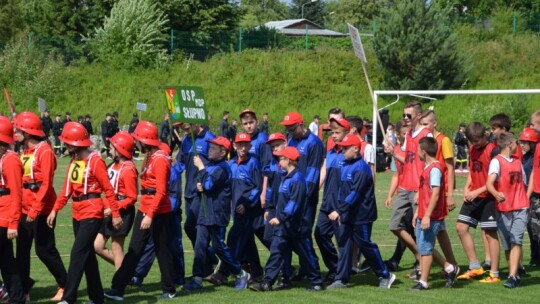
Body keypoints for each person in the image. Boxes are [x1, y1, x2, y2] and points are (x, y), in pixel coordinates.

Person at [47, 121, 122, 304]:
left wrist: (116, 213)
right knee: (87, 256)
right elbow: (66, 190)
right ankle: (97, 298)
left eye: (66, 142)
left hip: (92, 212)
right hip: (77, 212)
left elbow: (108, 190)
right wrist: (55, 210)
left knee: (77, 253)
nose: (64, 145)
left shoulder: (95, 161)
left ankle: (68, 297)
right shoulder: (74, 161)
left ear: (75, 143)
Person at [104, 121, 178, 301]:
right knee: (134, 250)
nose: (135, 142)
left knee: (163, 251)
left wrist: (150, 215)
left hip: (159, 211)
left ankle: (169, 289)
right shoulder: (149, 157)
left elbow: (161, 191)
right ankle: (118, 288)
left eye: (138, 139)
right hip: (145, 207)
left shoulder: (160, 158)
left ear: (146, 140)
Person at [326, 134, 396, 289]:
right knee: (344, 243)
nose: (342, 150)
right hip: (348, 213)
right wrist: (340, 209)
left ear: (356, 149)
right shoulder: (346, 164)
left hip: (362, 215)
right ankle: (341, 279)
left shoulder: (362, 169)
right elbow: (342, 192)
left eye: (346, 148)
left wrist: (339, 211)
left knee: (365, 244)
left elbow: (354, 194)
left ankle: (385, 275)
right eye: (342, 147)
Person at [249, 147, 323, 292]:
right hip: (283, 227)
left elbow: (294, 203)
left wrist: (280, 218)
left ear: (288, 160)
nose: (278, 161)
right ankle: (267, 282)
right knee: (276, 253)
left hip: (297, 227)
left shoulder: (298, 179)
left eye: (280, 158)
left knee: (306, 256)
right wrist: (272, 211)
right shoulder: (285, 176)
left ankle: (317, 282)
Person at [183, 136, 250, 291]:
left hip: (217, 213)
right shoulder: (211, 166)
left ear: (222, 152)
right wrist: (201, 185)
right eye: (210, 147)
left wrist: (201, 169)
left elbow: (209, 184)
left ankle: (240, 273)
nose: (209, 150)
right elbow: (203, 184)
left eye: (213, 148)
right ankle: (197, 278)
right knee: (200, 245)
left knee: (219, 246)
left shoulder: (223, 168)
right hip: (204, 212)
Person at [14, 112, 68, 302]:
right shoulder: (24, 152)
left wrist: (36, 209)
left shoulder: (44, 151)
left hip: (42, 209)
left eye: (18, 130)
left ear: (27, 133)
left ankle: (64, 283)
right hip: (24, 207)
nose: (15, 133)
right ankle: (24, 290)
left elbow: (46, 183)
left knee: (44, 250)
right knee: (21, 251)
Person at [207, 133, 263, 285]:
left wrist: (246, 204)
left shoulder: (253, 163)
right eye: (240, 145)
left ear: (250, 146)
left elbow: (257, 188)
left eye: (246, 145)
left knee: (233, 239)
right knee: (248, 242)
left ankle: (223, 274)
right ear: (235, 146)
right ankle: (257, 272)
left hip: (249, 211)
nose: (243, 148)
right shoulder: (231, 164)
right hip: (236, 211)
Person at [385, 101, 431, 278]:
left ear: (418, 116)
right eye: (404, 115)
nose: (405, 118)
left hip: (419, 188)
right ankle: (420, 256)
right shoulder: (410, 134)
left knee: (421, 230)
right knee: (394, 225)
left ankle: (438, 266)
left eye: (408, 115)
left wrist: (421, 190)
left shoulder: (425, 135)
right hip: (405, 187)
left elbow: (427, 164)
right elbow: (409, 161)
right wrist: (394, 153)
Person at [409, 137, 459, 291]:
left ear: (423, 152)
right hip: (426, 213)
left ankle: (423, 282)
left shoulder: (435, 169)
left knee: (425, 248)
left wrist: (427, 215)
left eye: (418, 149)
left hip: (432, 216)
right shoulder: (427, 167)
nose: (417, 152)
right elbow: (425, 194)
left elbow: (436, 194)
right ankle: (450, 269)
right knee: (423, 247)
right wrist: (418, 211)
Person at [280, 112, 324, 281]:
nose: (290, 131)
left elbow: (313, 174)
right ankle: (306, 268)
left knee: (303, 234)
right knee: (293, 234)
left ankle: (313, 269)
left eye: (292, 128)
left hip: (305, 198)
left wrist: (302, 197)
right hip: (291, 196)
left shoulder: (314, 143)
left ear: (301, 124)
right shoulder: (291, 141)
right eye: (287, 129)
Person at [455, 122, 501, 283]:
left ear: (485, 135)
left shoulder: (494, 151)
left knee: (490, 234)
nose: (474, 144)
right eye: (471, 141)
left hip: (489, 198)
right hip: (474, 196)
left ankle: (494, 273)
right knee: (461, 227)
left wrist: (476, 191)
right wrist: (467, 187)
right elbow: (472, 171)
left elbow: (495, 180)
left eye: (477, 140)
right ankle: (475, 266)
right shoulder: (473, 149)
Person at [486, 132, 528, 288]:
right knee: (508, 245)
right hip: (504, 208)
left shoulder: (518, 161)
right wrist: (496, 194)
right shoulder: (496, 162)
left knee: (516, 239)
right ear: (510, 144)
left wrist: (526, 199)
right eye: (516, 142)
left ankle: (511, 276)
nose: (517, 145)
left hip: (520, 206)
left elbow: (523, 183)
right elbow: (489, 182)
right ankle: (515, 274)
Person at [176, 122, 217, 275]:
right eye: (181, 127)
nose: (183, 129)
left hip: (202, 193)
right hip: (188, 192)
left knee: (195, 230)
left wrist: (206, 182)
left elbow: (216, 165)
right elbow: (180, 164)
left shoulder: (209, 138)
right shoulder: (186, 140)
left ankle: (206, 263)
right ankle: (208, 263)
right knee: (191, 229)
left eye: (186, 126)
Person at [94, 131, 138, 270]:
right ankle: (126, 270)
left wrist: (114, 209)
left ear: (120, 150)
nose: (110, 149)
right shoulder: (112, 165)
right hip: (109, 210)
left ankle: (119, 283)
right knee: (97, 246)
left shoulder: (128, 170)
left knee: (116, 247)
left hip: (122, 212)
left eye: (113, 147)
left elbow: (132, 198)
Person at [314, 117, 349, 284]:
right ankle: (335, 269)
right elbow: (324, 171)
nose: (334, 135)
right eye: (332, 132)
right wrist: (315, 189)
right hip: (327, 203)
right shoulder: (330, 151)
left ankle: (343, 276)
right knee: (319, 233)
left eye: (337, 132)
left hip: (341, 204)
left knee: (343, 240)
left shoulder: (350, 153)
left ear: (346, 133)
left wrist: (342, 208)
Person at [0, 116, 26, 304]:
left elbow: (17, 193)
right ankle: (16, 297)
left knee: (7, 261)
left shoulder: (10, 160)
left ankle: (16, 296)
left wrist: (13, 222)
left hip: (5, 216)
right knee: (7, 261)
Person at [384, 120, 411, 271]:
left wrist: (394, 153)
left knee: (407, 227)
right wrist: (389, 195)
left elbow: (410, 165)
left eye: (409, 132)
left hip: (413, 192)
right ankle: (398, 259)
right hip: (402, 193)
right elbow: (396, 175)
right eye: (403, 133)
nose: (407, 135)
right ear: (398, 134)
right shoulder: (397, 149)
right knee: (404, 227)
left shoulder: (413, 149)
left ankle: (398, 259)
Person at [520, 128, 539, 266]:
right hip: (526, 194)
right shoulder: (525, 157)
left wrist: (527, 197)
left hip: (533, 195)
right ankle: (535, 257)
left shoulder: (534, 158)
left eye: (525, 142)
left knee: (535, 228)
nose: (522, 145)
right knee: (531, 228)